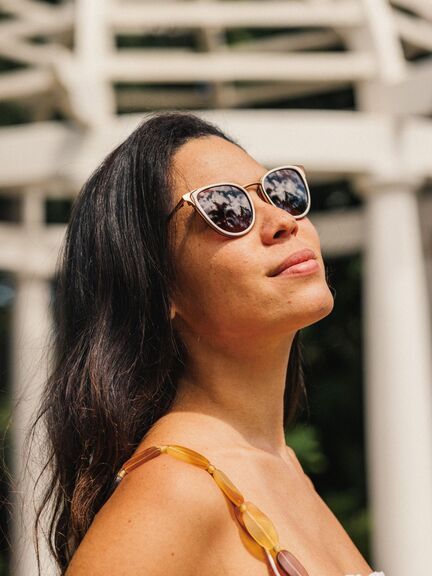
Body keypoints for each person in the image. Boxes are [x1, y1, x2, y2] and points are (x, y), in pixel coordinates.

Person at [32, 111, 383, 576]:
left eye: (281, 191)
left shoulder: (281, 465)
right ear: (158, 290)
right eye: (226, 208)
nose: (282, 220)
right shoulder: (175, 488)